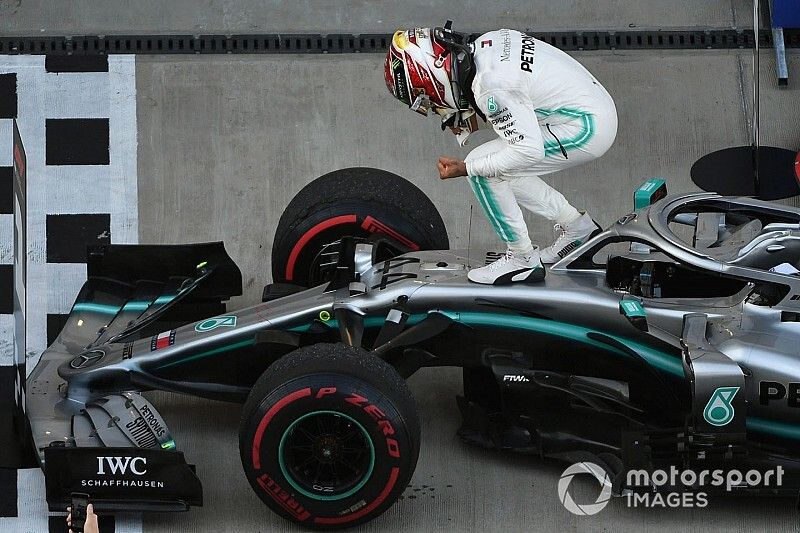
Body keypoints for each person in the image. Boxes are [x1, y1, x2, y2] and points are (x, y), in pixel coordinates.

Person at [384, 24, 617, 284]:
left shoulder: (491, 87)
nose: (431, 105)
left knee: (484, 170)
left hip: (586, 127)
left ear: (431, 74)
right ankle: (578, 229)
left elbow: (527, 151)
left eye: (423, 96)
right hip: (589, 108)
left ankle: (521, 260)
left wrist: (467, 169)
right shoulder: (489, 43)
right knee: (498, 164)